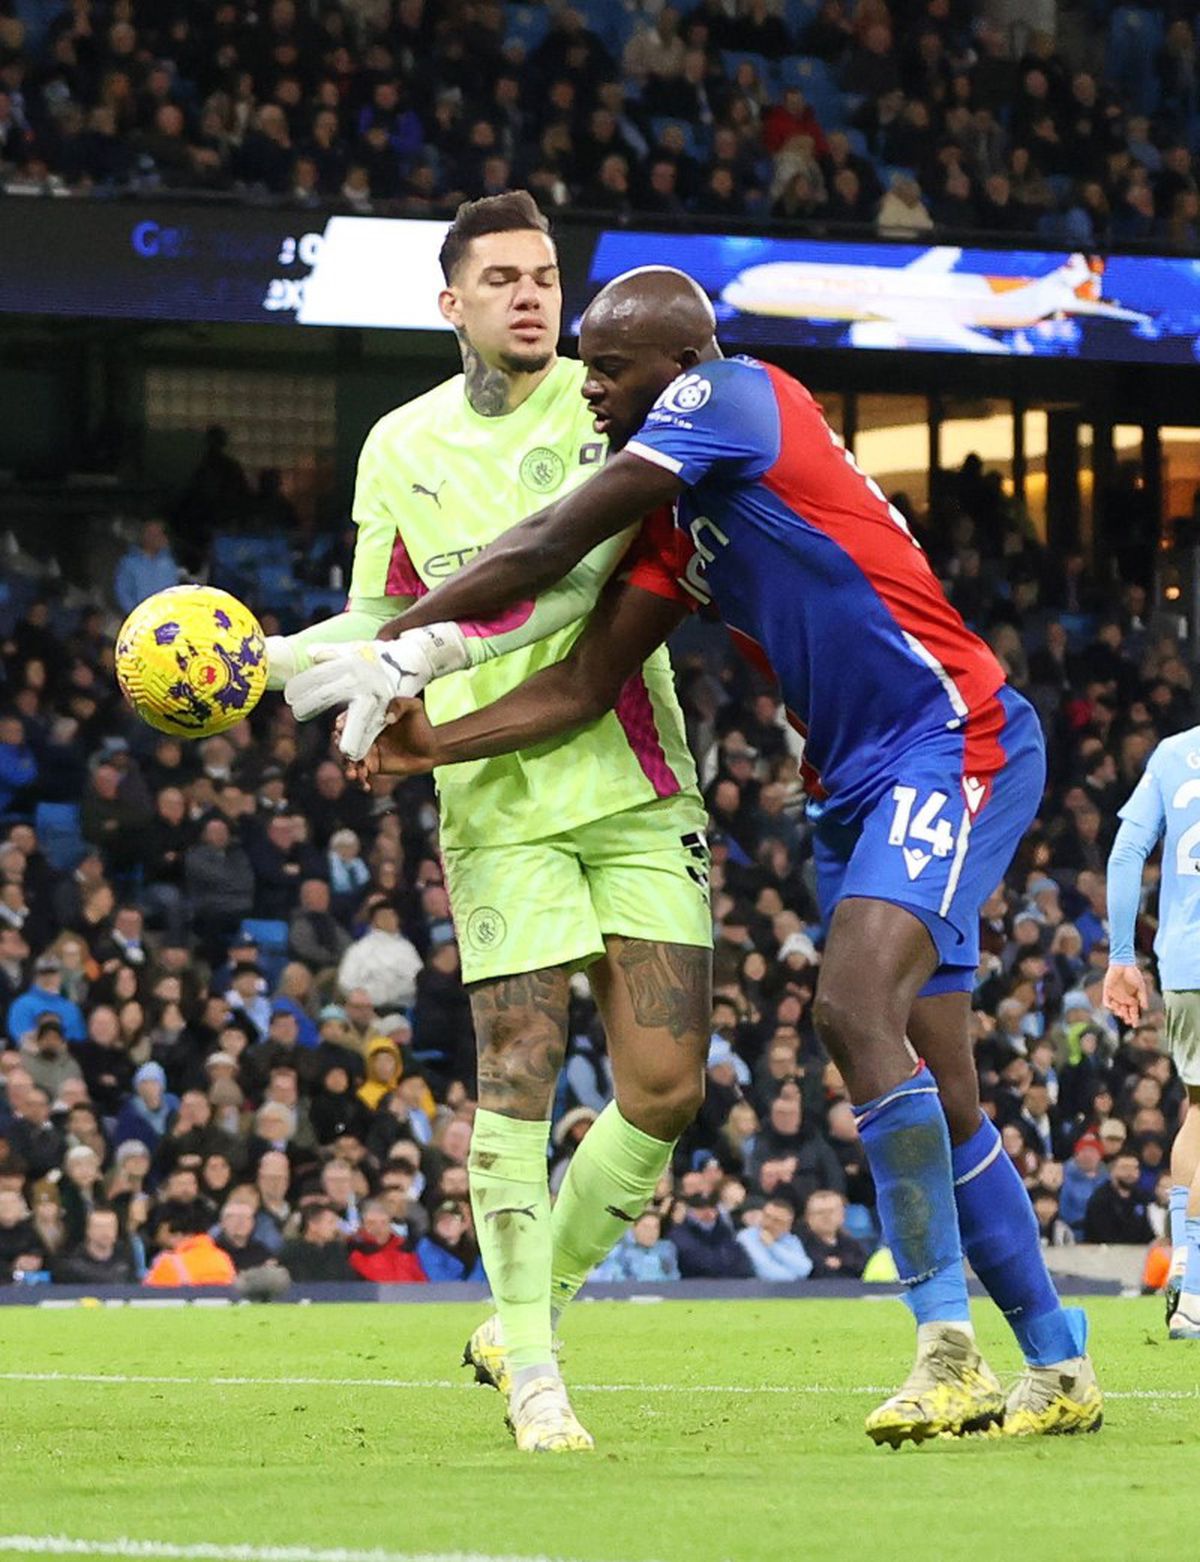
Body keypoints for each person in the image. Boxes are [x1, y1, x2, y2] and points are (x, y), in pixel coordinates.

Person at [303, 264, 1101, 1443]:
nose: (590, 393)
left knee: (848, 1003)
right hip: (852, 788)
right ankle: (1060, 1364)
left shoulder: (740, 395)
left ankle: (947, 1348)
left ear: (676, 365)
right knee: (946, 1077)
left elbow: (547, 536)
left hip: (956, 737)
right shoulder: (682, 528)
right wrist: (435, 746)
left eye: (609, 369)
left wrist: (405, 648)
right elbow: (582, 681)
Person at [279, 195, 713, 1453]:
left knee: (668, 1086)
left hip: (635, 778)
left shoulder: (612, 411)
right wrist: (258, 662)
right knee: (517, 1070)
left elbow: (556, 592)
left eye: (546, 277)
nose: (534, 297)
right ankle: (536, 1370)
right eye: (505, 279)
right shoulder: (396, 444)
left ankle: (526, 1312)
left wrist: (411, 668)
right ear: (451, 303)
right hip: (497, 803)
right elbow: (376, 614)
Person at [1104, 726, 1200, 1335]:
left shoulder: (1172, 753)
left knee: (1199, 1112)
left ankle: (1187, 1277)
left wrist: (1120, 955)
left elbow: (1124, 854)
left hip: (1188, 964)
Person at [736, 1196, 813, 1281]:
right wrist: (795, 1277)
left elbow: (805, 1269)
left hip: (789, 1291)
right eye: (767, 1216)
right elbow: (766, 1272)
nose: (769, 1223)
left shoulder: (791, 1240)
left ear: (787, 1227)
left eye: (777, 1221)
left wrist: (773, 1246)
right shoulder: (746, 1237)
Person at [113, 520, 179, 616]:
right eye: (153, 534)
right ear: (144, 535)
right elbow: (123, 592)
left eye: (159, 533)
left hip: (167, 617)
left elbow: (175, 588)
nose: (157, 537)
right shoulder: (130, 562)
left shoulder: (169, 562)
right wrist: (136, 613)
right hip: (141, 618)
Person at [799, 1189, 868, 1278]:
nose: (826, 1217)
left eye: (831, 1211)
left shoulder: (852, 1245)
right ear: (808, 1218)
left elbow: (863, 1268)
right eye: (820, 1212)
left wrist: (842, 1263)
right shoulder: (798, 1245)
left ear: (842, 1215)